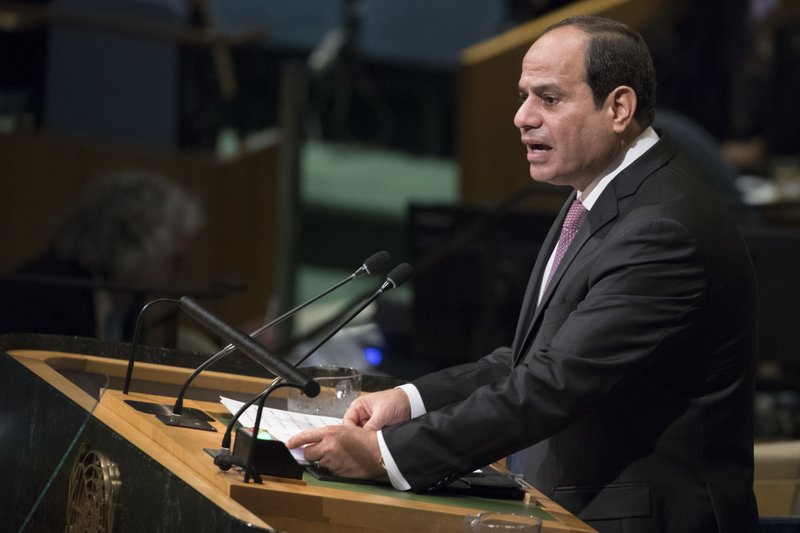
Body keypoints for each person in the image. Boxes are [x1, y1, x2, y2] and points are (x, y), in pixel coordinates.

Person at [287, 15, 759, 533]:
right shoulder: (599, 194)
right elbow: (537, 359)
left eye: (549, 99)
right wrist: (409, 401)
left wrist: (384, 456)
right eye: (523, 96)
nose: (522, 117)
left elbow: (552, 384)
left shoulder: (664, 228)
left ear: (619, 108)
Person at [0, 170, 204, 343]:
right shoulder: (39, 300)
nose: (177, 275)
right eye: (175, 261)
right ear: (131, 243)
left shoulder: (125, 307)